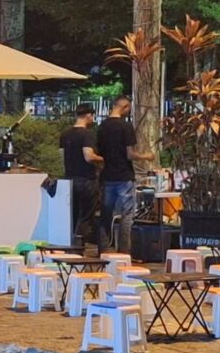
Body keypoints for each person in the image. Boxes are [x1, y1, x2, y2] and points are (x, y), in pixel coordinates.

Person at [97, 95, 155, 254]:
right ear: (124, 107)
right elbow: (130, 154)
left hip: (107, 175)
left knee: (106, 214)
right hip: (124, 176)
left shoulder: (101, 127)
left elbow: (100, 153)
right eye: (128, 108)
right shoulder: (126, 126)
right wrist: (146, 156)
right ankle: (124, 250)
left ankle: (103, 249)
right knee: (127, 214)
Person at [59, 103, 104, 244]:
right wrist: (102, 158)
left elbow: (61, 156)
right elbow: (88, 156)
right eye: (92, 116)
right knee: (86, 216)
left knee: (72, 214)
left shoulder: (65, 134)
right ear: (88, 115)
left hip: (70, 179)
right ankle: (79, 244)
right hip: (86, 179)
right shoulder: (87, 134)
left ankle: (69, 242)